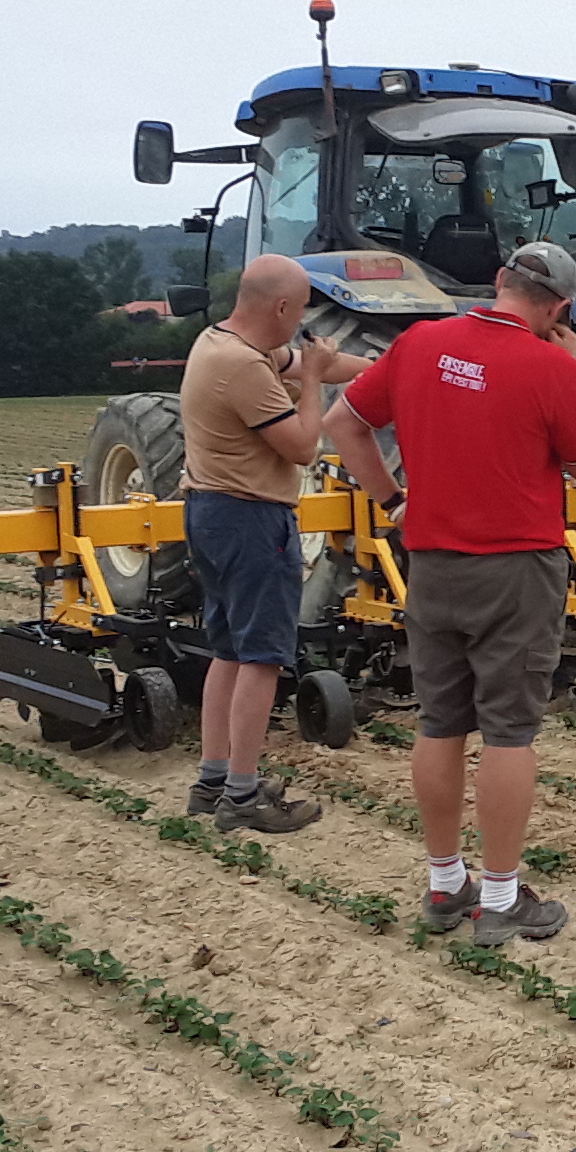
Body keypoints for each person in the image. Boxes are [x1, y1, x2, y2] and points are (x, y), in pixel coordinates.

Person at [322, 241, 576, 946]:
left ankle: (446, 883)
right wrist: (567, 369)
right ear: (560, 308)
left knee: (440, 722)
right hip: (515, 569)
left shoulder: (421, 342)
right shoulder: (547, 364)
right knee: (510, 731)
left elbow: (342, 425)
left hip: (433, 563)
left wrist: (393, 503)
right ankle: (504, 899)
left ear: (499, 282)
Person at [178, 253, 371, 832]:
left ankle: (214, 780)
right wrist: (312, 379)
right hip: (251, 521)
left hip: (210, 514)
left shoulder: (220, 343)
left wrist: (388, 366)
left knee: (230, 651)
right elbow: (303, 446)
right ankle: (242, 796)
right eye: (303, 307)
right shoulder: (241, 367)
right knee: (262, 657)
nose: (304, 320)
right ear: (282, 307)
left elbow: (316, 362)